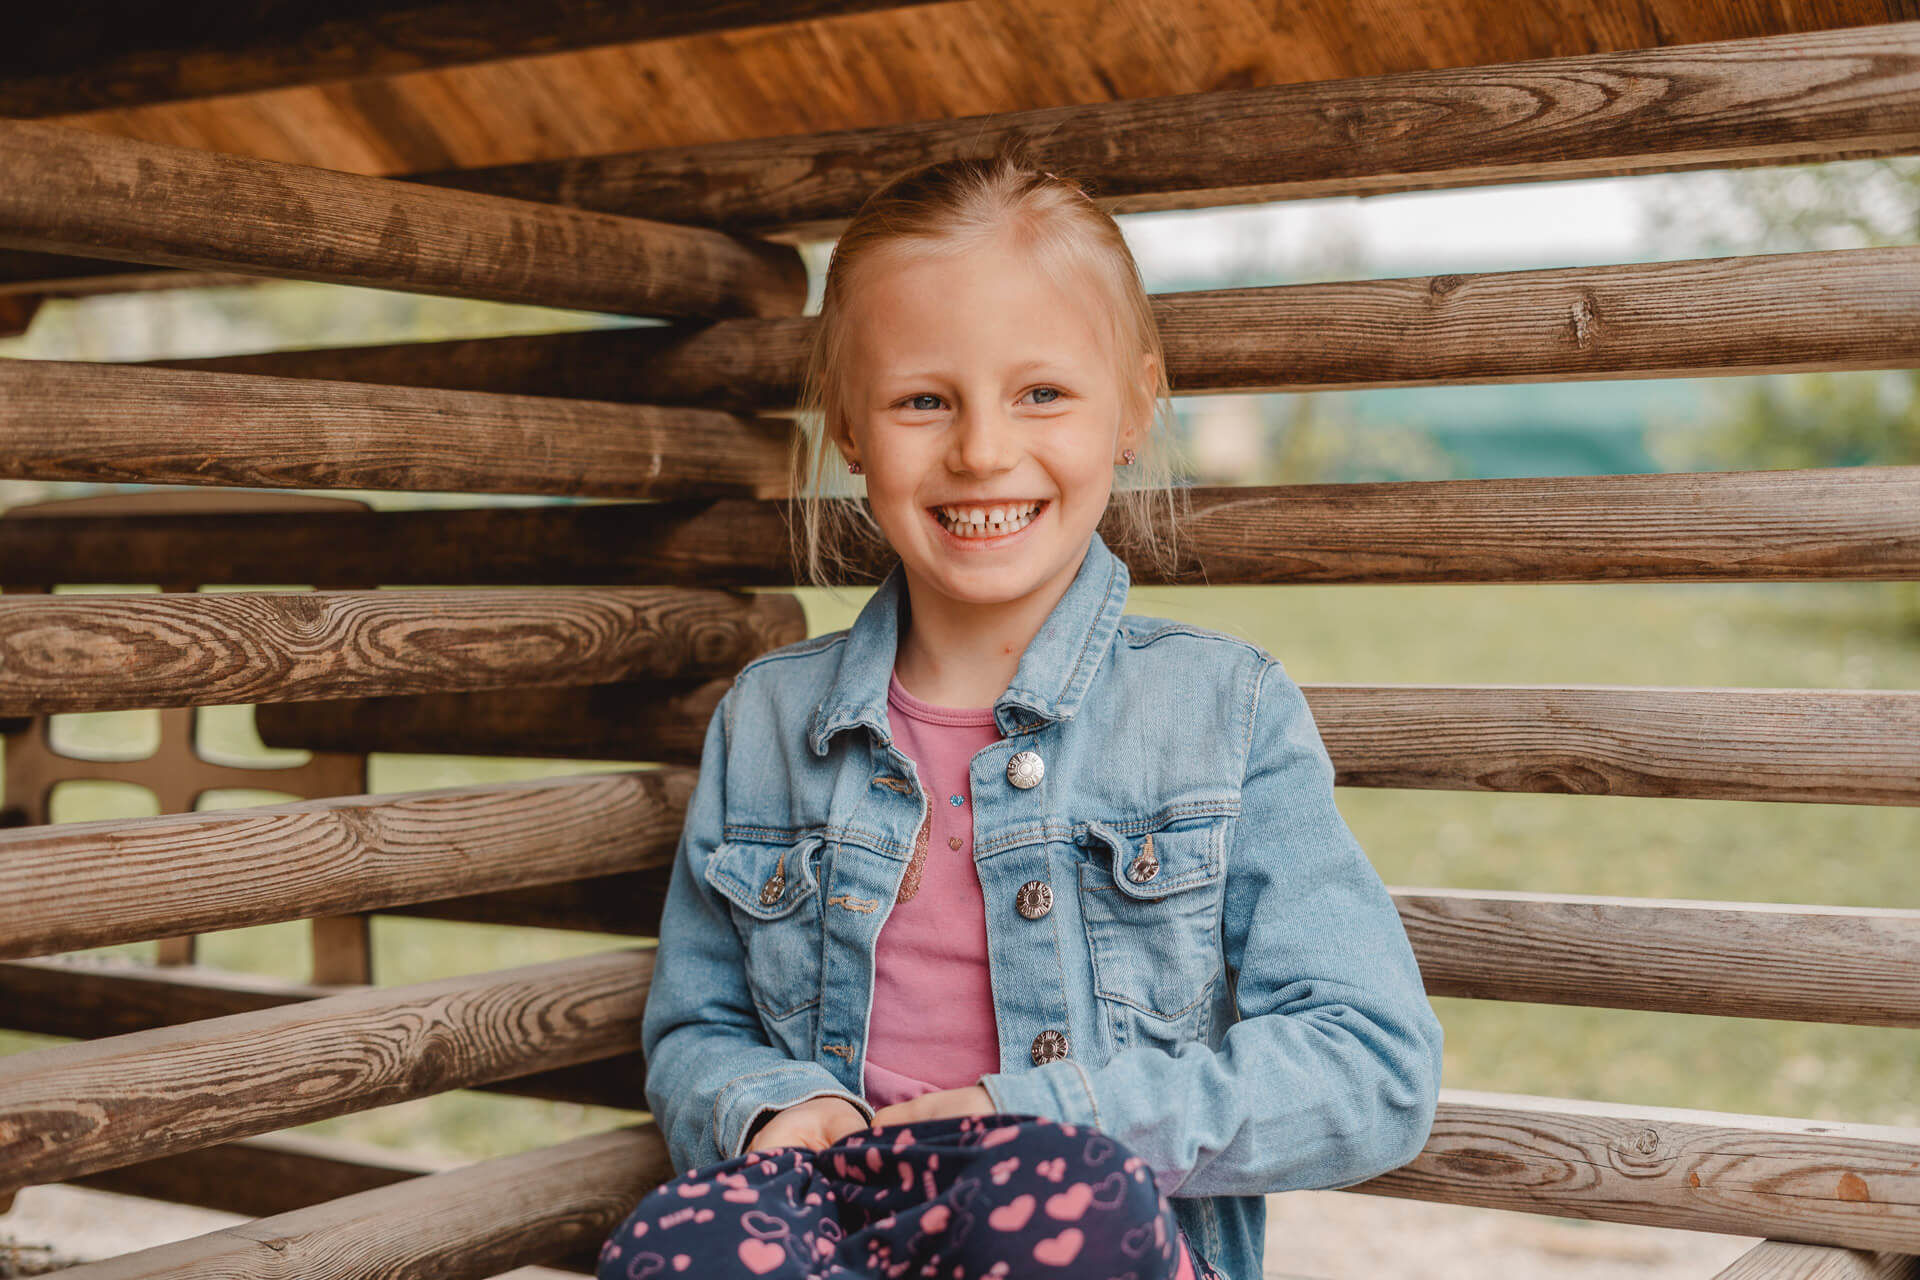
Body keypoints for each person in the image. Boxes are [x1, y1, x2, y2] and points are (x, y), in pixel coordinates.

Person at [599, 148, 1445, 1280]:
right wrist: (772, 1108)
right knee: (679, 1241)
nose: (983, 450)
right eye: (921, 400)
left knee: (1062, 1200)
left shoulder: (1219, 712)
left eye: (1040, 391)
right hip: (843, 1228)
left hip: (1081, 1237)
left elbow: (1371, 1064)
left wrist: (1040, 1114)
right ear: (851, 426)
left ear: (1134, 408)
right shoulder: (768, 720)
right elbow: (697, 1025)